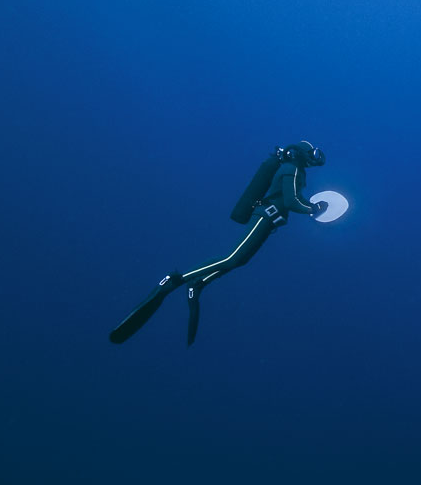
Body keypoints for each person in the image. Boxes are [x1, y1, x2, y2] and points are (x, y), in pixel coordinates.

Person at [109, 141, 329, 346]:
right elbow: (291, 201)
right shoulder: (292, 169)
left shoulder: (294, 170)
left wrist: (310, 206)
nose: (313, 158)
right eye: (311, 154)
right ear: (301, 155)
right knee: (231, 258)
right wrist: (312, 208)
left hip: (270, 222)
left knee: (239, 261)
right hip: (264, 217)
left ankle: (198, 284)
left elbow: (292, 199)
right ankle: (174, 281)